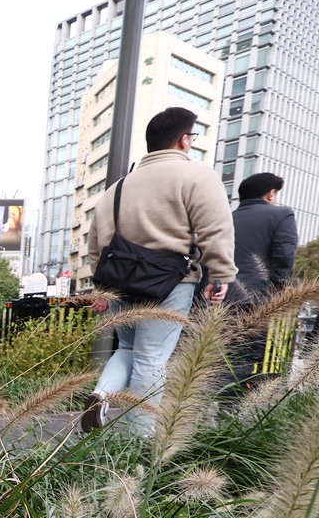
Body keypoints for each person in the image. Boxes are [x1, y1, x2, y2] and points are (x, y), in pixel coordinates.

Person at [82, 106, 236, 434]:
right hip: (168, 283)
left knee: (127, 348)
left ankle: (101, 393)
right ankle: (139, 442)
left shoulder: (114, 190)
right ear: (184, 140)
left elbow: (97, 246)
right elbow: (215, 230)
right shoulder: (197, 176)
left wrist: (100, 290)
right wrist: (220, 274)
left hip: (119, 282)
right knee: (151, 359)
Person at [225, 172, 298, 394]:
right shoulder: (282, 215)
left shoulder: (226, 218)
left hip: (218, 296)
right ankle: (228, 414)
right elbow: (284, 253)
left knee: (219, 355)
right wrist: (279, 286)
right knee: (245, 355)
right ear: (271, 194)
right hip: (255, 298)